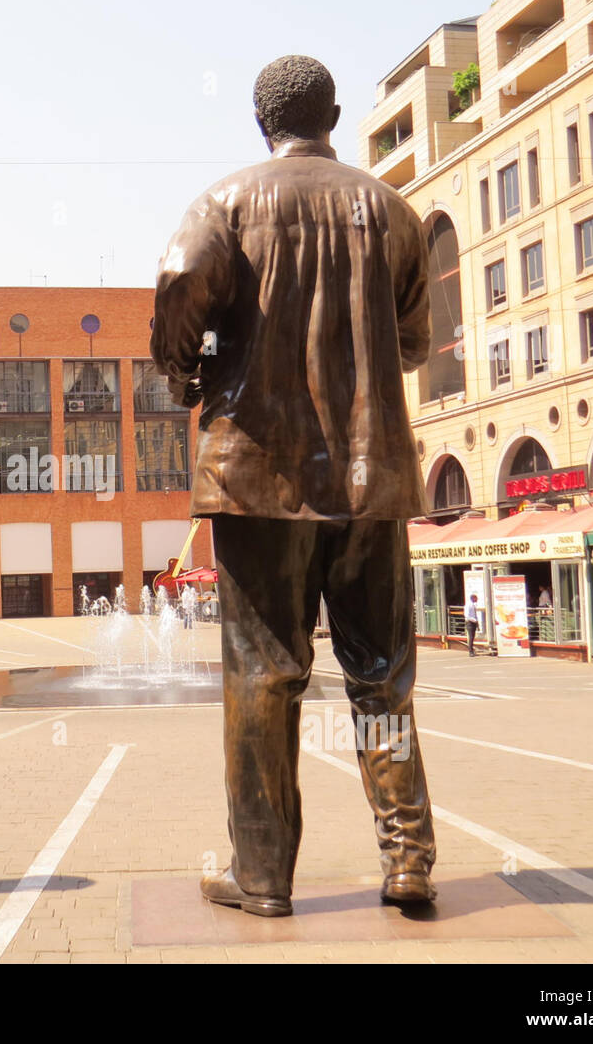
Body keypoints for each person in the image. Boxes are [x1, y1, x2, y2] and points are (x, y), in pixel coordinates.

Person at [151, 55, 437, 916]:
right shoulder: (392, 212)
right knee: (382, 673)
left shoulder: (227, 204)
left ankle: (264, 875)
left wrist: (184, 374)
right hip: (372, 478)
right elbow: (416, 340)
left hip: (256, 477)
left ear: (258, 121)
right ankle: (407, 857)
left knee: (263, 676)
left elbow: (176, 283)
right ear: (337, 114)